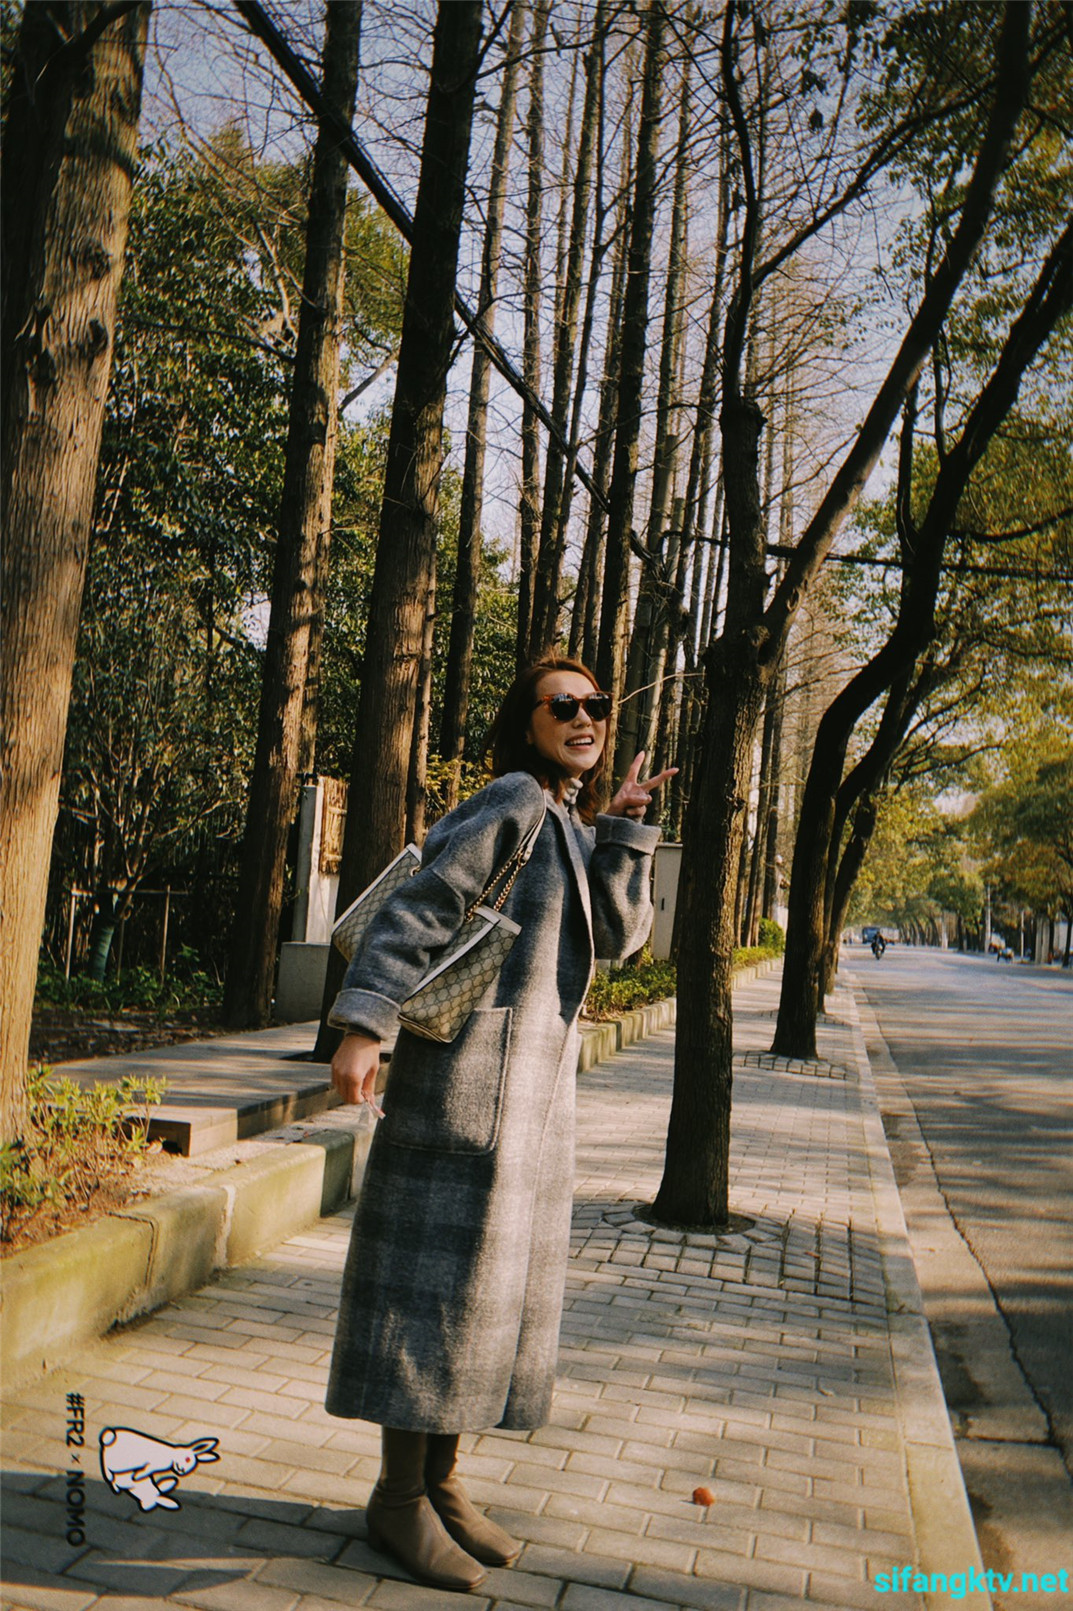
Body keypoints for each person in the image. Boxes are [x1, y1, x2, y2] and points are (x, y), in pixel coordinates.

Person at [325, 655, 675, 1593]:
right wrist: (365, 1024)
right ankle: (397, 1497)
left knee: (477, 1305)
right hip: (461, 1087)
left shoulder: (564, 817)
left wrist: (623, 831)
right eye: (563, 704)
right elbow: (421, 906)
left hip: (526, 1107)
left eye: (595, 704)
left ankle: (440, 1483)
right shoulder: (513, 798)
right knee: (432, 1299)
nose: (585, 716)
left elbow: (622, 937)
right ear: (527, 723)